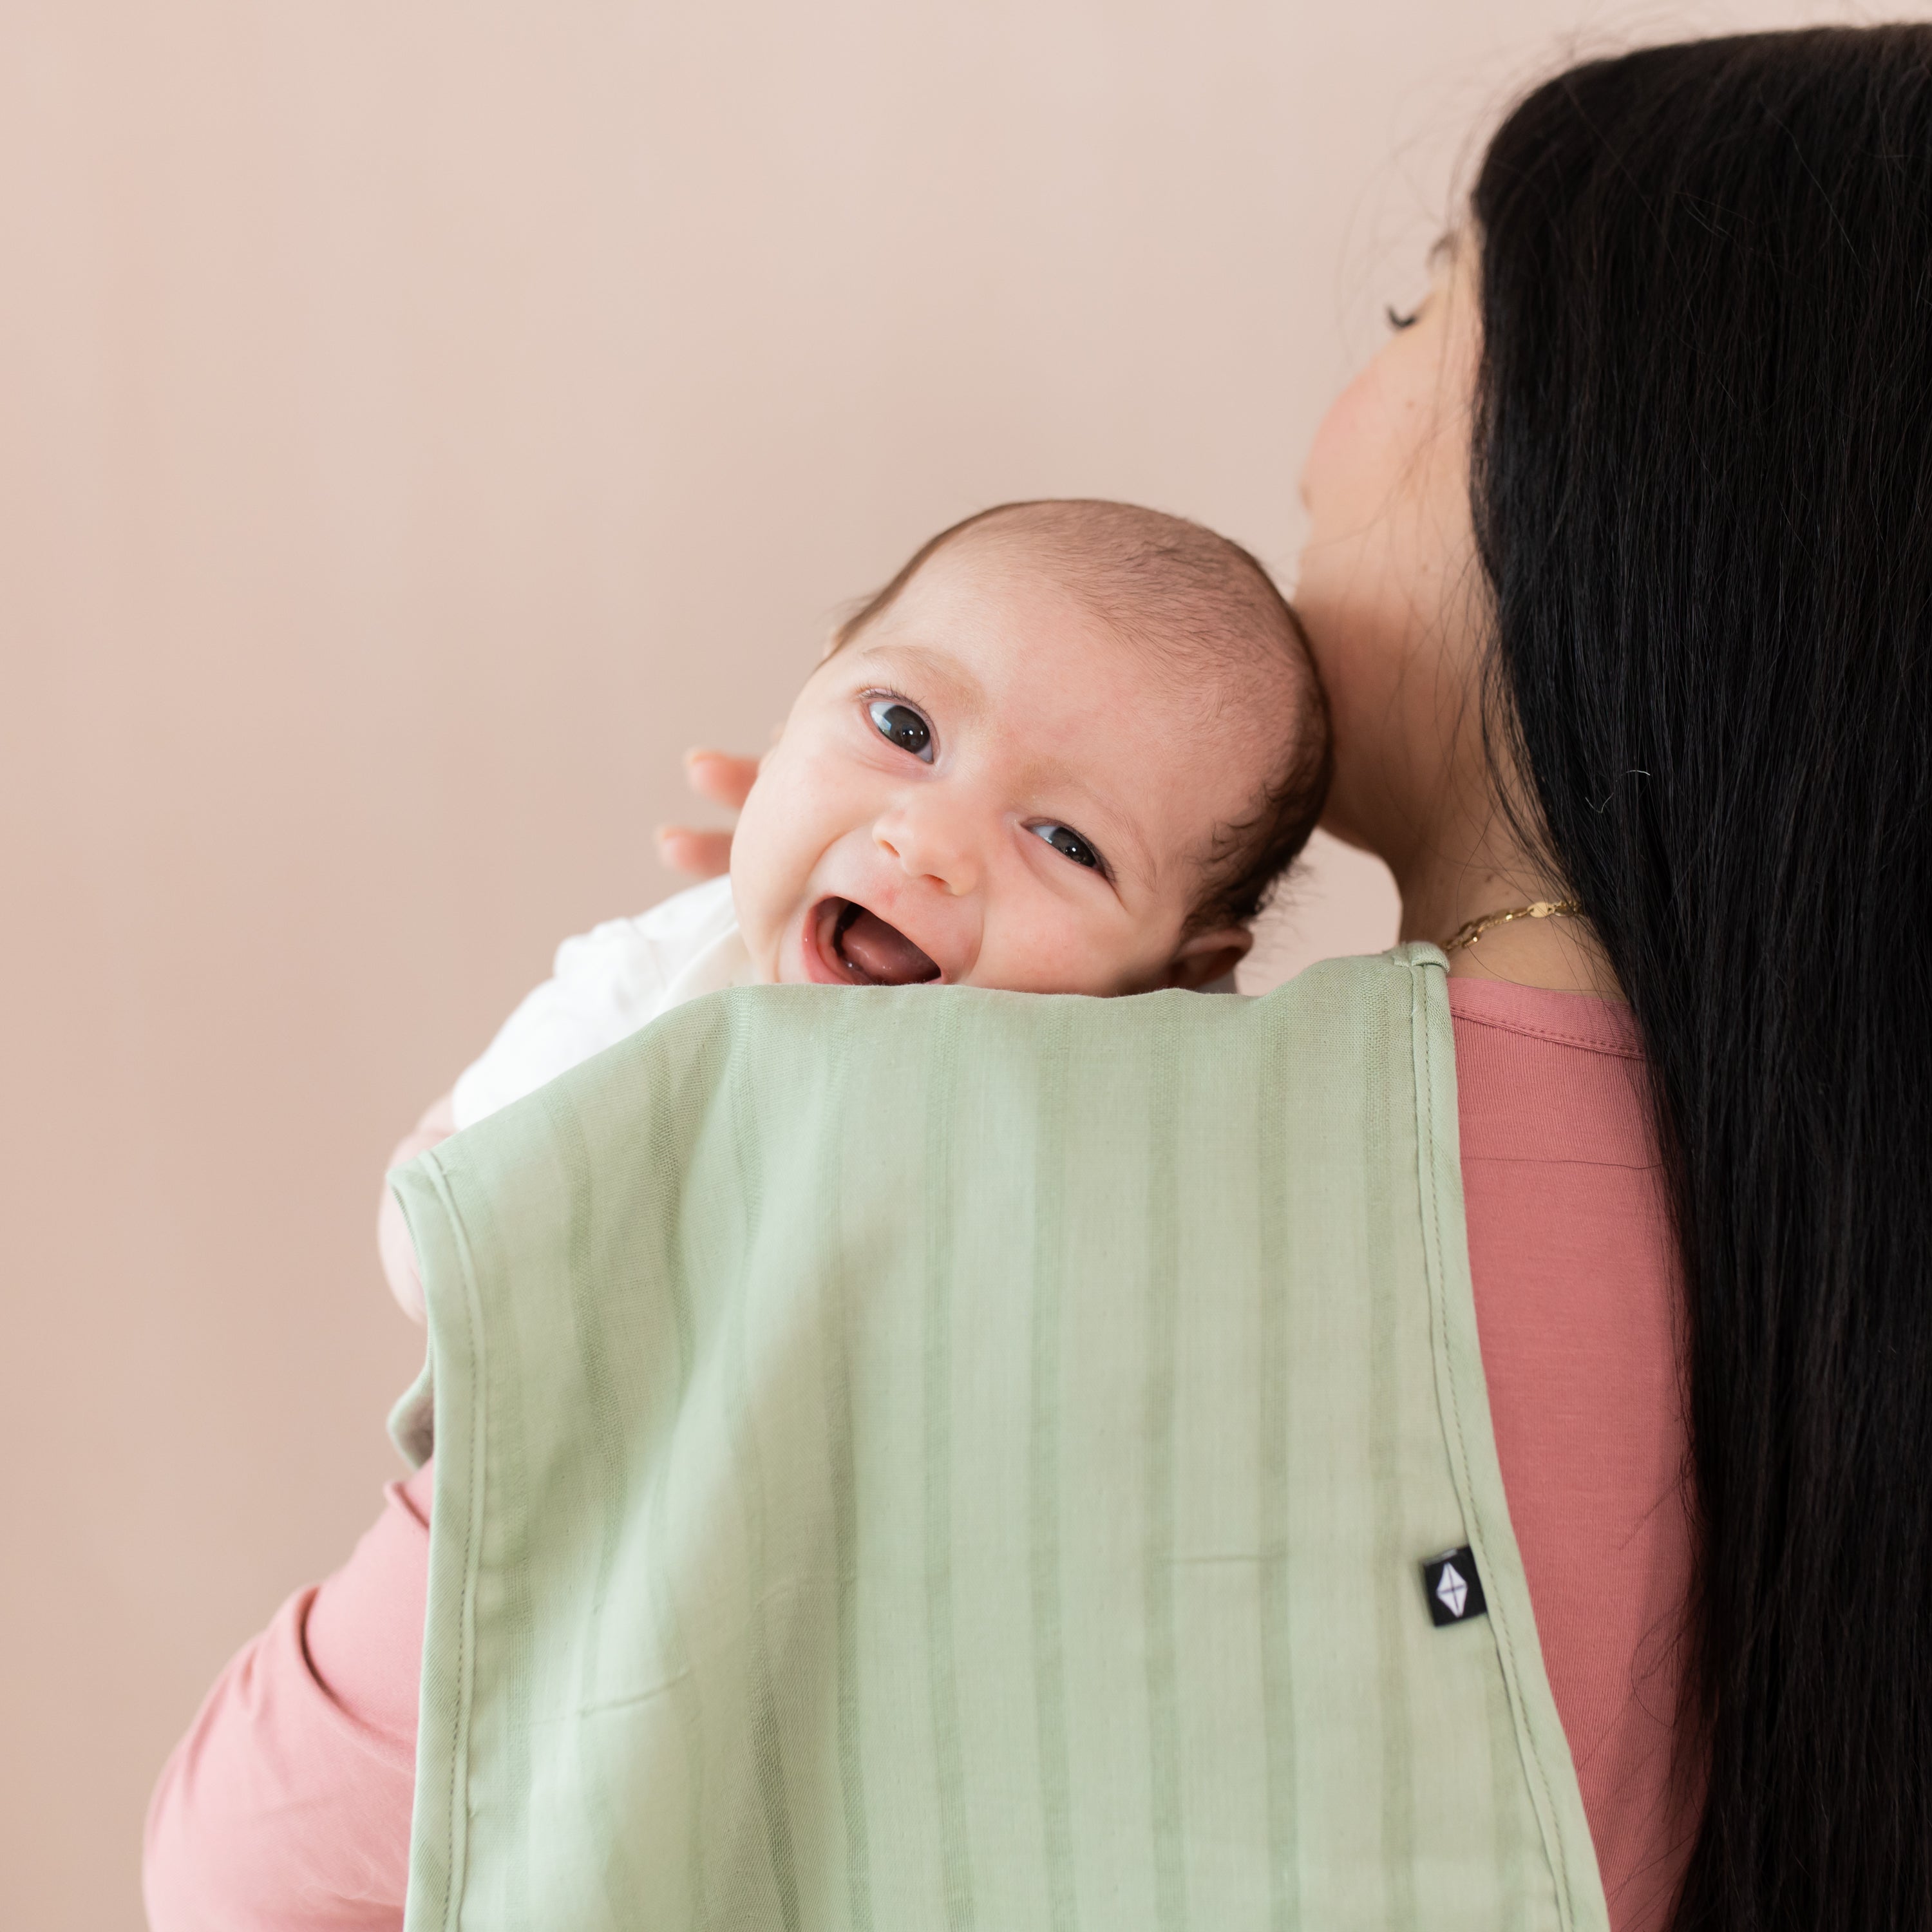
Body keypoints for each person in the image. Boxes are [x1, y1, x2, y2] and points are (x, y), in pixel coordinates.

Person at [144, 26, 1932, 1932]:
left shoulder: (840, 1147)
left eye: (1425, 307)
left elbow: (259, 1869)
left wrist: (719, 1093)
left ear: (1615, 461)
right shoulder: (1823, 1255)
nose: (1340, 411)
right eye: (903, 729)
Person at [376, 498, 1331, 1318]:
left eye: (1067, 842)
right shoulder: (663, 984)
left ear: (1180, 970)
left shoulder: (1139, 1125)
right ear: (798, 708)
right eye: (902, 728)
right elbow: (448, 1191)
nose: (929, 844)